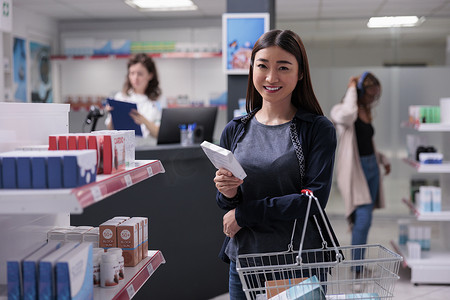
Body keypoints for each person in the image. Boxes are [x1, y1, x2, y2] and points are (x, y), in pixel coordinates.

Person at [212, 29, 339, 299]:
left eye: (283, 67)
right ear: (252, 69)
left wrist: (245, 215)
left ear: (300, 73)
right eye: (263, 66)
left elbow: (313, 201)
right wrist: (228, 191)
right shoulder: (235, 130)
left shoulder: (316, 129)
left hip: (297, 262)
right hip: (245, 261)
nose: (271, 77)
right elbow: (228, 205)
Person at [330, 72, 391, 275]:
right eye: (370, 94)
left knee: (364, 219)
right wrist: (351, 87)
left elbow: (365, 145)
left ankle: (358, 265)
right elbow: (347, 114)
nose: (373, 99)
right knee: (362, 219)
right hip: (356, 171)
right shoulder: (343, 112)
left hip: (372, 168)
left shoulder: (364, 111)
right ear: (359, 92)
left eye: (376, 95)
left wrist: (382, 159)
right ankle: (356, 267)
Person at [105, 53, 166, 145]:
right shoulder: (120, 97)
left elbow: (160, 134)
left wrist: (143, 120)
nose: (135, 78)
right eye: (132, 73)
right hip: (125, 150)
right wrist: (113, 115)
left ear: (150, 75)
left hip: (149, 150)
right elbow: (111, 130)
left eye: (140, 74)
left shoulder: (159, 100)